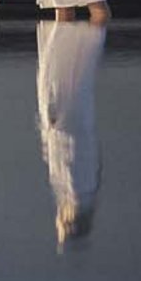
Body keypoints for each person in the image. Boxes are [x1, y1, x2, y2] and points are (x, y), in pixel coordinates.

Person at [36, 17, 104, 244]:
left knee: (59, 74)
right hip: (66, 122)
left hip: (66, 122)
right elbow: (68, 156)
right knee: (61, 73)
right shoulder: (78, 192)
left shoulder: (79, 192)